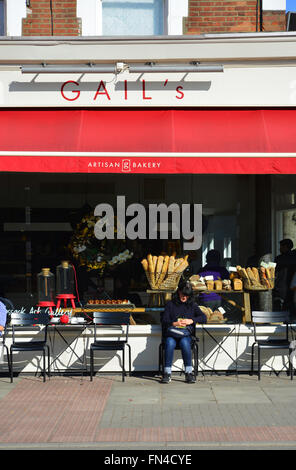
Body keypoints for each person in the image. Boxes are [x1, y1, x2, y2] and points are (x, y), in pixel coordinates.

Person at [160, 280, 207, 384]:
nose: (184, 297)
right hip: (172, 333)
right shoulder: (170, 304)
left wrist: (191, 320)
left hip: (185, 334)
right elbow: (164, 321)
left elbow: (204, 318)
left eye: (187, 295)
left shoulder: (192, 305)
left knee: (185, 343)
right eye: (183, 294)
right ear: (178, 292)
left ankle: (189, 373)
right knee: (169, 342)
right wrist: (175, 323)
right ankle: (167, 373)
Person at [273, 239, 296, 311]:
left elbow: (274, 270)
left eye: (281, 247)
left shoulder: (280, 258)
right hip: (292, 285)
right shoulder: (294, 256)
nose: (279, 249)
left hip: (282, 286)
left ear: (285, 247)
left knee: (282, 307)